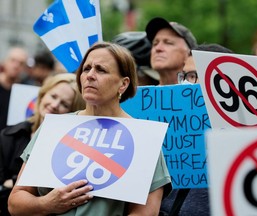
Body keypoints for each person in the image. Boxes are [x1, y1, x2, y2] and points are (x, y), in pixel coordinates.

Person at [8, 42, 171, 216]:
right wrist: (47, 203)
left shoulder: (144, 139)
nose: (90, 75)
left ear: (123, 84)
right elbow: (16, 202)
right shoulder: (53, 128)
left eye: (101, 70)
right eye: (86, 69)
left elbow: (146, 213)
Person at [160, 43, 233, 216]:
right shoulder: (171, 137)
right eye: (183, 76)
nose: (185, 83)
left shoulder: (237, 146)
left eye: (193, 76)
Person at [0, 73, 85, 215]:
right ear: (43, 94)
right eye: (53, 96)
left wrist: (12, 183)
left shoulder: (72, 149)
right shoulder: (9, 135)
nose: (54, 105)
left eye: (64, 104)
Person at [145, 17, 197, 85]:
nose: (158, 48)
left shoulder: (202, 93)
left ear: (188, 54)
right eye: (155, 43)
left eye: (168, 43)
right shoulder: (143, 94)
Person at [0, 46, 28, 131]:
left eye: (21, 63)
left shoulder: (24, 92)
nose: (16, 66)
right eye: (13, 60)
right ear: (5, 61)